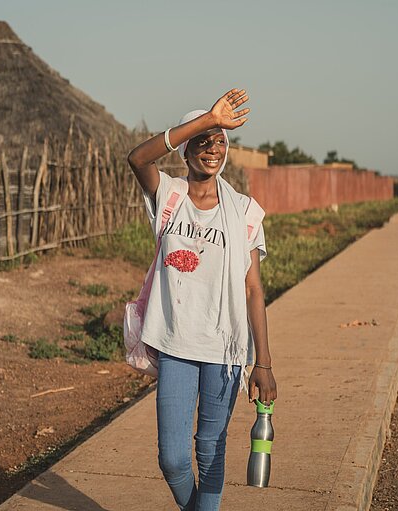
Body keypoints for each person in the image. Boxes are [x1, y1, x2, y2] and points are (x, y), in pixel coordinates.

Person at [127, 88, 277, 510]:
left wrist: (262, 363)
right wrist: (208, 119)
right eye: (204, 141)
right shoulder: (169, 196)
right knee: (173, 459)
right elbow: (138, 158)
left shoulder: (245, 210)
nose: (213, 149)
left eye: (220, 141)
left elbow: (253, 288)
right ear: (187, 149)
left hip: (224, 349)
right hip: (175, 343)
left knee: (210, 452)